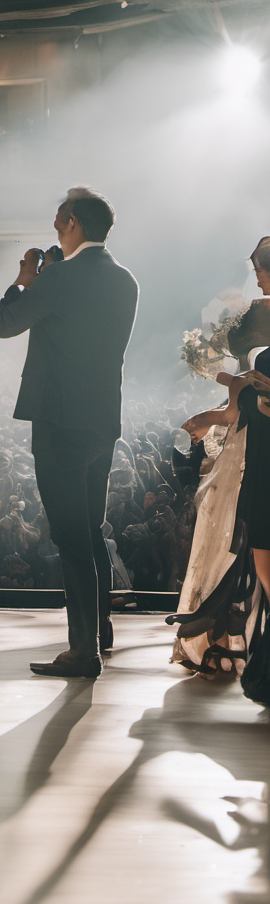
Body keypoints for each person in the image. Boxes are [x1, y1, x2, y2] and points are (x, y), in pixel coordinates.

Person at [0, 186, 139, 678]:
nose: (55, 227)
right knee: (91, 527)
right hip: (103, 420)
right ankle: (100, 629)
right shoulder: (126, 281)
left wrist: (23, 280)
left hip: (59, 421)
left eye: (59, 219)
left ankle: (83, 653)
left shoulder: (59, 279)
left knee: (70, 536)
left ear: (73, 222)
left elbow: (5, 325)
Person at [171, 238, 270, 675]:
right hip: (252, 445)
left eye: (261, 267)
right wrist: (209, 417)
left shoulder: (252, 323)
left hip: (260, 450)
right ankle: (234, 639)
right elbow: (237, 406)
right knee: (244, 541)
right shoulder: (251, 321)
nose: (257, 276)